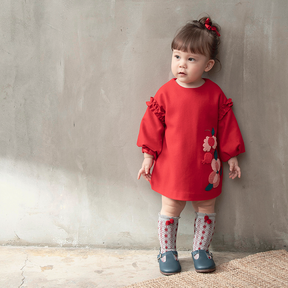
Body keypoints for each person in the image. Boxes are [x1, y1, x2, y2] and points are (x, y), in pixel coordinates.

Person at [137, 16, 245, 276]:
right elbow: (152, 126)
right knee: (171, 207)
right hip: (172, 166)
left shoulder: (214, 94)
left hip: (206, 167)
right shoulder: (165, 93)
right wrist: (148, 156)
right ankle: (167, 251)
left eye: (190, 59)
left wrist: (231, 156)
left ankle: (201, 250)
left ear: (208, 64)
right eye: (177, 57)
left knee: (207, 207)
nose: (181, 65)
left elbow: (226, 126)